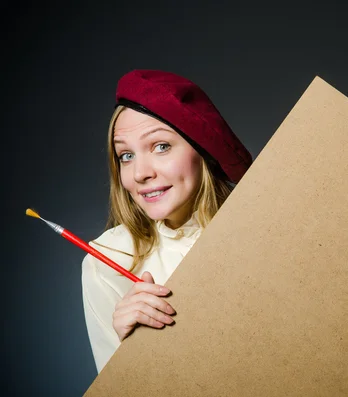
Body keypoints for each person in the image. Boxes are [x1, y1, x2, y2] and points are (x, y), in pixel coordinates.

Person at [81, 69, 253, 373]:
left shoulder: (263, 226)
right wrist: (129, 353)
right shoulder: (106, 260)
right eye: (126, 156)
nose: (139, 173)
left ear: (203, 149)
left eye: (161, 146)